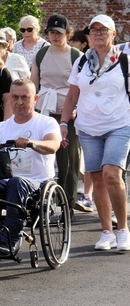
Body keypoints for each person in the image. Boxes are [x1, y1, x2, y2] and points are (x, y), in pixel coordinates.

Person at [60, 14, 130, 252]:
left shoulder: (125, 60)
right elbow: (72, 96)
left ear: (114, 34)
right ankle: (106, 232)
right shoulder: (81, 62)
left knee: (112, 174)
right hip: (88, 128)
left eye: (103, 30)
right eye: (94, 30)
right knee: (97, 178)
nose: (98, 34)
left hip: (119, 125)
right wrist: (62, 123)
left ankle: (122, 229)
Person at [0, 79, 61, 254]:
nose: (19, 102)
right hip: (7, 181)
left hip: (38, 182)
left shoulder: (46, 123)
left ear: (35, 98)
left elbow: (53, 145)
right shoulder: (0, 128)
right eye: (15, 97)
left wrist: (32, 143)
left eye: (25, 97)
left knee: (17, 182)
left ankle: (11, 237)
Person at [30, 14, 83, 213]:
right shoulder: (41, 54)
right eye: (51, 32)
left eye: (59, 33)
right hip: (44, 110)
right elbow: (34, 83)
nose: (55, 36)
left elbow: (82, 85)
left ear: (67, 34)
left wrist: (77, 108)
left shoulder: (76, 55)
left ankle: (67, 204)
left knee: (68, 159)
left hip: (68, 113)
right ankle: (40, 203)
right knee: (40, 157)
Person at [66, 27, 95, 212]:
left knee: (105, 166)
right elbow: (74, 91)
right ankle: (88, 195)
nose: (71, 44)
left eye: (74, 41)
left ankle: (89, 195)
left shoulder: (116, 59)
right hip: (84, 117)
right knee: (88, 159)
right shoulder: (81, 61)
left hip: (109, 120)